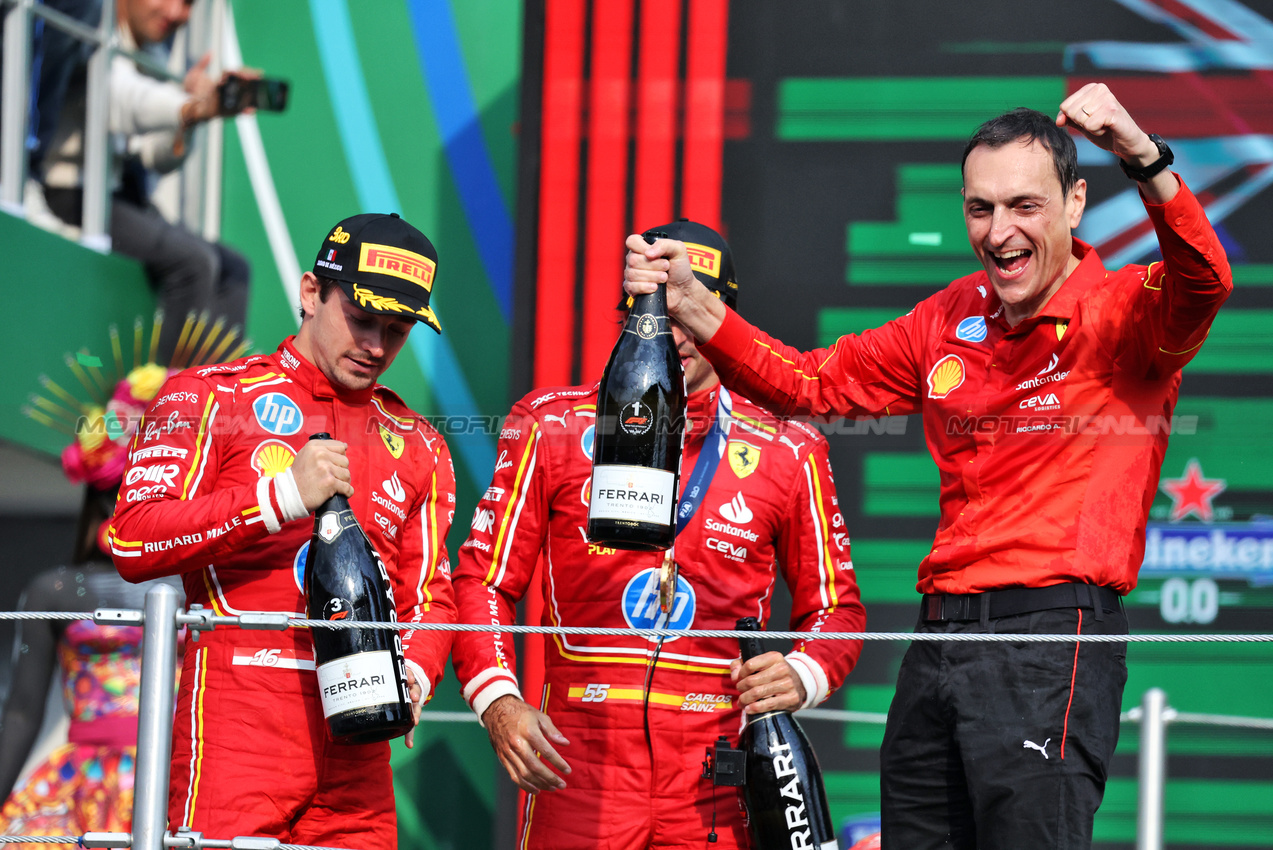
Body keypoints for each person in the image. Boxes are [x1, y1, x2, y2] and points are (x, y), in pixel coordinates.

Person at [625, 84, 1232, 850]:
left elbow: (1206, 280)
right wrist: (693, 306)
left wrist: (1142, 157)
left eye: (1023, 206)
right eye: (979, 208)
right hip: (937, 641)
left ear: (1075, 203)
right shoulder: (949, 316)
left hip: (1048, 639)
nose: (999, 231)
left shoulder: (1125, 310)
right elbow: (809, 382)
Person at [453, 219, 866, 850]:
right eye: (652, 307)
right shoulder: (551, 424)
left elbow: (837, 611)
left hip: (716, 775)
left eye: (688, 306)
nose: (673, 330)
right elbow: (482, 578)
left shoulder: (789, 446)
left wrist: (804, 674)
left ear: (720, 312)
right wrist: (498, 701)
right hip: (578, 763)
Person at [110, 212, 457, 849]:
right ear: (308, 293)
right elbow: (132, 539)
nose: (377, 345)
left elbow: (432, 592)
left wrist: (415, 673)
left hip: (360, 744)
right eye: (362, 318)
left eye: (397, 329)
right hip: (236, 730)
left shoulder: (422, 446)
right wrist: (279, 498)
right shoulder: (209, 397)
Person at [39, 0, 252, 362]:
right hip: (68, 192)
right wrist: (189, 106)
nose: (177, 13)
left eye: (188, 4)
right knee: (194, 263)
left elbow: (155, 157)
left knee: (234, 268)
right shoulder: (91, 23)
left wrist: (193, 115)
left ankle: (222, 401)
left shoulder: (148, 51)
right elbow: (122, 101)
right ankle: (160, 407)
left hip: (116, 195)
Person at [0, 488, 180, 837]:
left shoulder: (200, 585)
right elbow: (22, 711)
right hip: (88, 781)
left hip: (179, 772)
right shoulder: (52, 591)